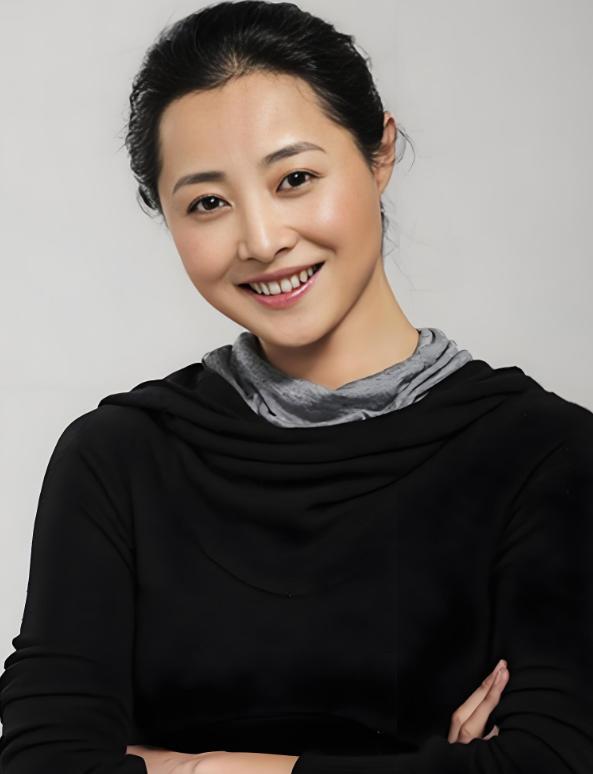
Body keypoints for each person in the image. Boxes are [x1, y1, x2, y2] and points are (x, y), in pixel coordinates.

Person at [1, 2, 592, 772]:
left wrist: (201, 767)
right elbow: (43, 762)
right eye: (207, 203)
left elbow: (555, 762)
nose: (261, 240)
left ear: (379, 153)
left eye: (295, 178)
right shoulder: (117, 459)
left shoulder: (546, 455)